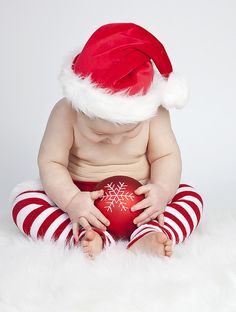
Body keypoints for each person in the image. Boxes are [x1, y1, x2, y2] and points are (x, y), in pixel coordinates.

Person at [10, 23, 203, 260]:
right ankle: (85, 235)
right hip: (83, 200)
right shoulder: (65, 112)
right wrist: (71, 200)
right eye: (99, 135)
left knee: (190, 197)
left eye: (129, 132)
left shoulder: (155, 114)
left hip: (141, 202)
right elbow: (51, 162)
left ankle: (149, 232)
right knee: (25, 202)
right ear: (80, 107)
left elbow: (166, 156)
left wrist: (161, 191)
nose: (114, 141)